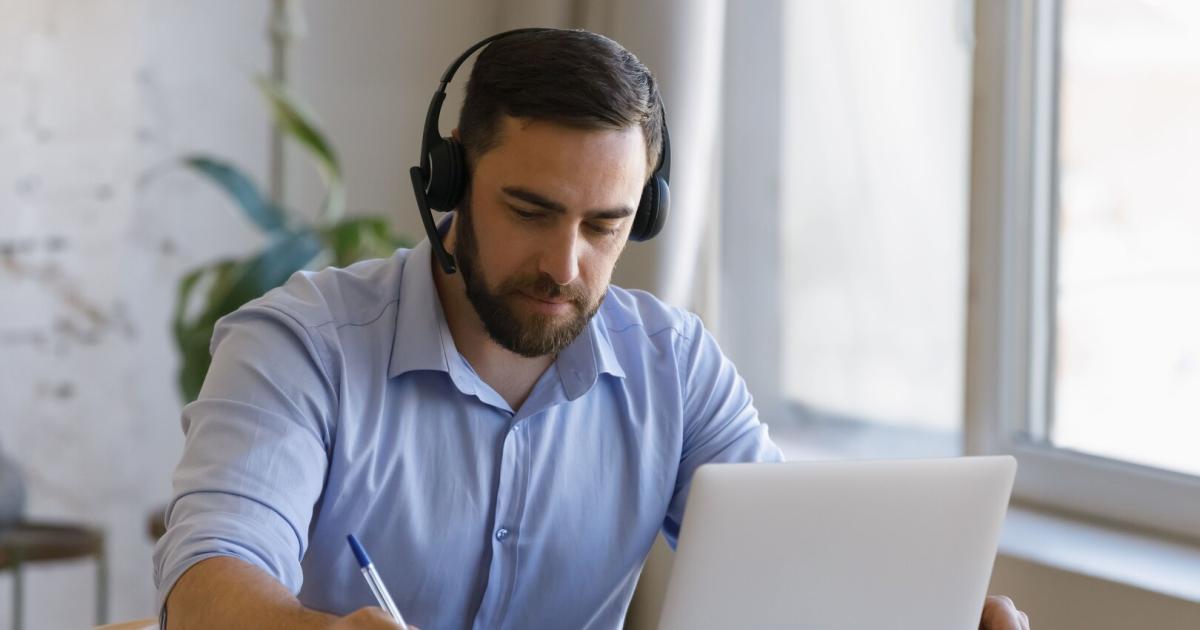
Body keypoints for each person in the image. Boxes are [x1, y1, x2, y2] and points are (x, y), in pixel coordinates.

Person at [154, 29, 1029, 630]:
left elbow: (791, 573)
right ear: (451, 176)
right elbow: (207, 578)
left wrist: (939, 616)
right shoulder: (299, 347)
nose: (565, 266)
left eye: (604, 225)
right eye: (530, 210)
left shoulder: (674, 367)